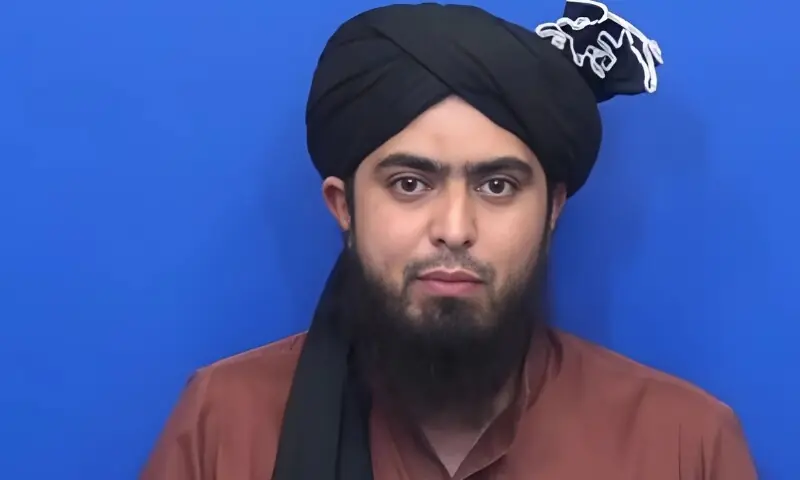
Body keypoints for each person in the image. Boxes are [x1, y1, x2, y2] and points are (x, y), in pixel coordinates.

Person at [141, 1, 758, 479]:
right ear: (343, 206)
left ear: (553, 209)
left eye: (497, 186)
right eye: (410, 184)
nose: (455, 229)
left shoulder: (683, 443)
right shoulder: (223, 425)